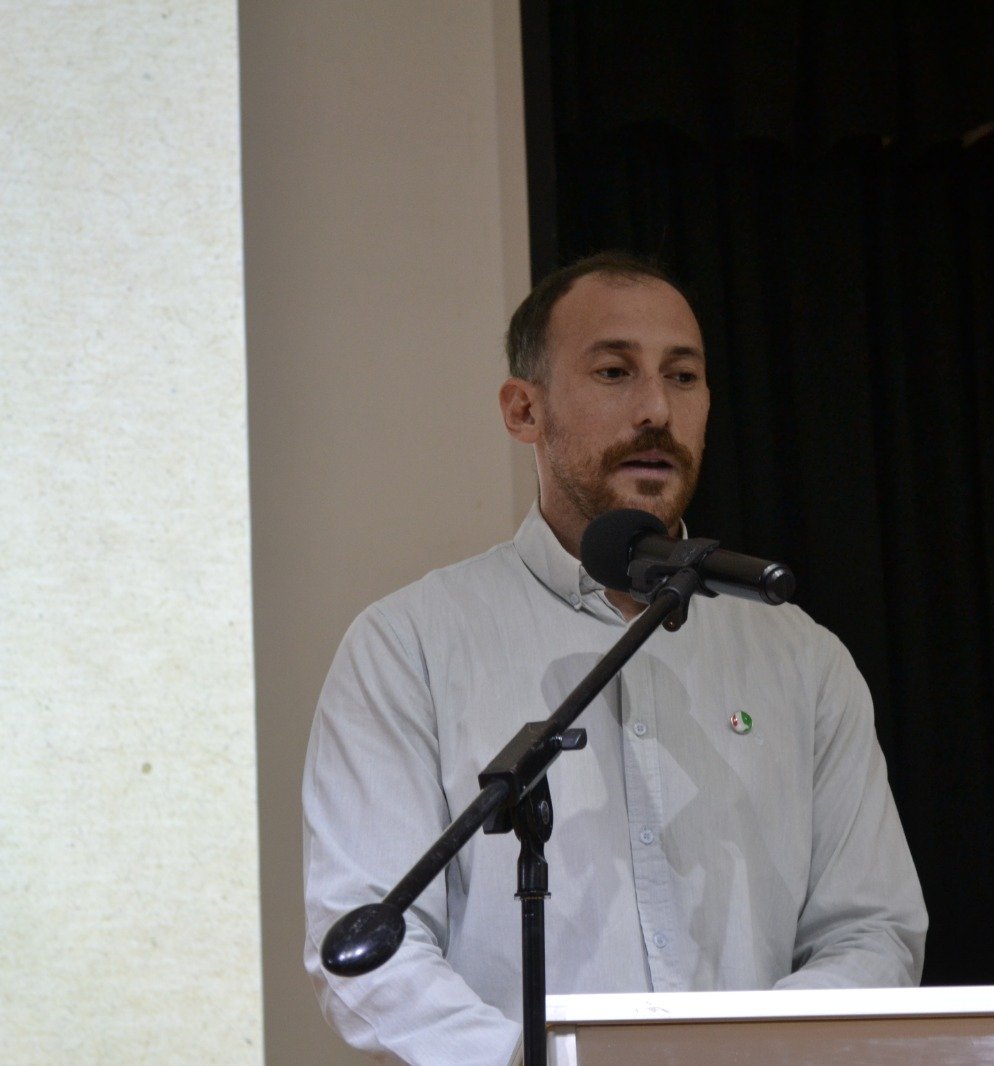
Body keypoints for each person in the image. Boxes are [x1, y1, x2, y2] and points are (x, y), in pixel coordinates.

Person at [302, 252, 927, 1065]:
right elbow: (370, 946)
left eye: (683, 377)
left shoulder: (802, 659)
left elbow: (871, 932)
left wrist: (743, 1059)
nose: (656, 409)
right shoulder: (409, 645)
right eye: (614, 372)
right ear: (524, 410)